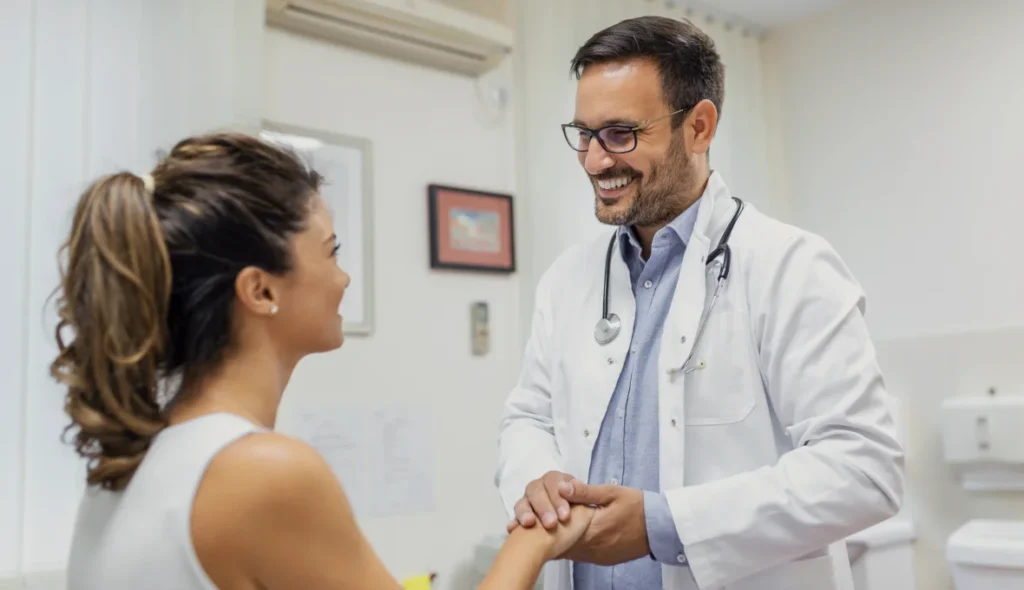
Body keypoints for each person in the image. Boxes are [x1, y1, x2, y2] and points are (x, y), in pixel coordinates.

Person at [54, 131, 593, 590]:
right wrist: (538, 536)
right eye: (331, 251)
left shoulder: (129, 463)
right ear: (261, 290)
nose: (344, 277)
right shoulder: (260, 473)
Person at [495, 15, 905, 590]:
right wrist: (538, 480)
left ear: (699, 127)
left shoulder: (790, 266)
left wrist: (663, 526)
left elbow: (865, 468)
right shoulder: (567, 280)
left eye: (621, 133)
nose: (594, 161)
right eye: (584, 134)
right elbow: (529, 418)